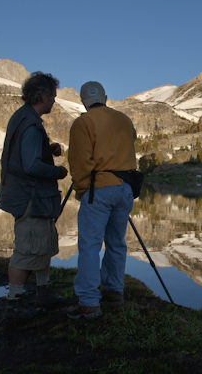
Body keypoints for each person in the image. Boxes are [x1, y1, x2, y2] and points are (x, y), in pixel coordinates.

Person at [66, 81, 137, 319]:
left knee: (90, 245)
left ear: (82, 101)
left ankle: (88, 301)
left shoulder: (82, 123)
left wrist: (82, 189)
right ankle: (115, 292)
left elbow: (80, 162)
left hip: (99, 189)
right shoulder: (124, 120)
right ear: (106, 98)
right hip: (126, 187)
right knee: (117, 243)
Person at [0, 71, 68, 306]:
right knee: (26, 249)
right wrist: (58, 171)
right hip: (30, 198)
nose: (54, 101)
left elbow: (29, 153)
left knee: (42, 245)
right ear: (42, 95)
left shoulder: (23, 117)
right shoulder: (31, 125)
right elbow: (31, 165)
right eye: (52, 96)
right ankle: (15, 297)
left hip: (33, 198)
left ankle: (42, 291)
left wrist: (49, 149)